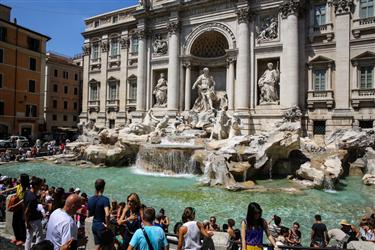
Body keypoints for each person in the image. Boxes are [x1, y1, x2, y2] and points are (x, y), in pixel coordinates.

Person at [1, 173, 30, 246]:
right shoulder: (19, 186)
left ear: (23, 179)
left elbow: (24, 199)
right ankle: (17, 237)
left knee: (21, 224)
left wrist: (15, 205)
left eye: (19, 177)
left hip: (22, 208)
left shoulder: (27, 189)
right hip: (16, 208)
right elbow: (11, 189)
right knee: (14, 223)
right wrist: (3, 191)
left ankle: (23, 239)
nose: (18, 178)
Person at [88, 179, 112, 250]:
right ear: (103, 188)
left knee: (100, 245)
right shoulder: (105, 199)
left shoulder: (90, 199)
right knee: (109, 245)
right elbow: (107, 214)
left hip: (94, 226)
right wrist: (107, 225)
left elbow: (88, 214)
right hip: (102, 226)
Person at [24, 177, 44, 250]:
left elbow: (24, 206)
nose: (41, 187)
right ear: (36, 186)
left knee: (29, 237)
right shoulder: (33, 198)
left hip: (29, 219)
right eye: (40, 185)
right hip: (34, 219)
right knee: (40, 237)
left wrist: (26, 222)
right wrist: (27, 222)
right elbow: (27, 211)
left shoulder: (27, 192)